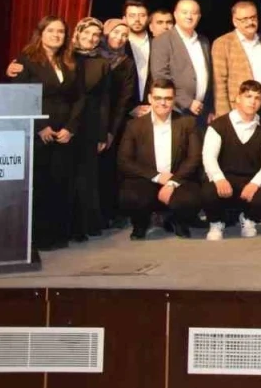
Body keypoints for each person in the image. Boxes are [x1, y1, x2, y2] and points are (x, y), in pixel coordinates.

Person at [7, 16, 81, 250]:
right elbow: (19, 96)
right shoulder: (26, 60)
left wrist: (71, 127)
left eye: (61, 31)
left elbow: (79, 97)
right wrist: (40, 126)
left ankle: (57, 235)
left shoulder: (69, 61)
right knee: (39, 185)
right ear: (40, 33)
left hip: (64, 132)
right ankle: (37, 237)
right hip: (37, 133)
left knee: (59, 183)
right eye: (51, 30)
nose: (56, 35)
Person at [117, 79, 203, 240]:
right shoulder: (134, 125)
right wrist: (156, 176)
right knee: (131, 196)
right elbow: (124, 161)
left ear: (174, 99)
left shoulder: (187, 123)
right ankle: (141, 224)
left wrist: (172, 182)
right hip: (146, 179)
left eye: (168, 98)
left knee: (191, 198)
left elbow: (194, 158)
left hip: (177, 179)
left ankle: (178, 221)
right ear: (150, 98)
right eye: (158, 98)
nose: (163, 103)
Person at [200, 79, 261, 240]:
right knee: (207, 193)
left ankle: (249, 219)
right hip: (225, 179)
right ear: (238, 98)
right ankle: (216, 222)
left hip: (250, 180)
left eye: (257, 98)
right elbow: (209, 157)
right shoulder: (218, 125)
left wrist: (255, 183)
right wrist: (219, 179)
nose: (252, 101)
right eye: (248, 96)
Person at [67, 17, 111, 241]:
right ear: (77, 33)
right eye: (86, 33)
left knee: (86, 178)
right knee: (65, 174)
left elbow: (105, 101)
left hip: (90, 125)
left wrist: (102, 134)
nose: (91, 38)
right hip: (65, 122)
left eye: (95, 35)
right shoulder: (65, 57)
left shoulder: (103, 63)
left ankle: (83, 225)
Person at [148, 0, 213, 123]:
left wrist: (210, 108)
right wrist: (187, 102)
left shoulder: (204, 41)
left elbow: (210, 78)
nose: (189, 16)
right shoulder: (162, 41)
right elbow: (160, 77)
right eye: (184, 12)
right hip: (176, 111)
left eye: (194, 13)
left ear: (199, 17)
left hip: (202, 112)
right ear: (175, 15)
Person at [211, 1, 261, 120]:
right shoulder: (223, 43)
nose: (250, 22)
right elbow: (219, 84)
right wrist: (224, 118)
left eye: (253, 17)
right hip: (237, 111)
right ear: (235, 21)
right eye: (244, 19)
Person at [98, 19, 135, 225]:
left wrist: (111, 130)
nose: (119, 38)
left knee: (109, 170)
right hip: (88, 121)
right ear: (106, 33)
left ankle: (109, 215)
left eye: (124, 35)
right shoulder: (91, 56)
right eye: (115, 32)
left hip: (113, 123)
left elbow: (123, 101)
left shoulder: (126, 63)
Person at [121, 0, 152, 115]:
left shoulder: (158, 44)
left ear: (148, 18)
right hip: (122, 111)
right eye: (132, 15)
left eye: (142, 15)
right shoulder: (119, 45)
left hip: (151, 110)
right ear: (124, 19)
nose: (137, 20)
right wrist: (129, 108)